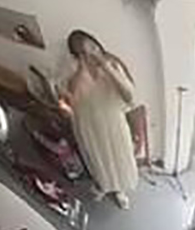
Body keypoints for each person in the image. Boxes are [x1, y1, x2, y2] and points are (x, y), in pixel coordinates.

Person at [59, 30, 140, 208]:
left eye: (93, 47)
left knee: (119, 157)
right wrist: (81, 70)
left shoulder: (113, 63)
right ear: (77, 55)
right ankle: (104, 184)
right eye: (82, 51)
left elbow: (128, 95)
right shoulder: (72, 69)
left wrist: (106, 68)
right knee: (97, 158)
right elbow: (69, 98)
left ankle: (120, 190)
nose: (91, 53)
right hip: (87, 123)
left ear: (98, 45)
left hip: (112, 121)